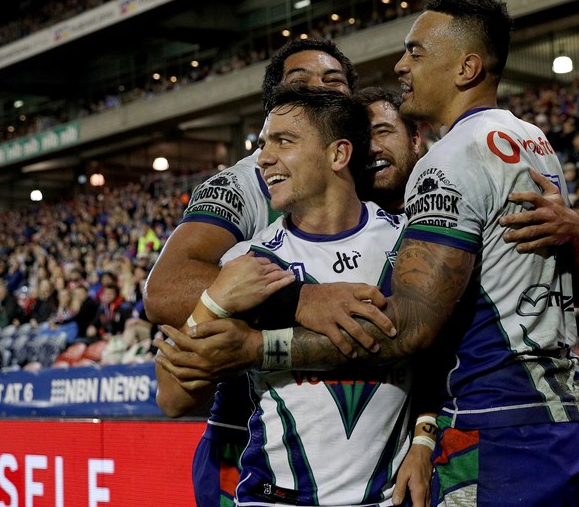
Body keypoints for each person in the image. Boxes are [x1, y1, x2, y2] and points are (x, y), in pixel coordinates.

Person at [167, 0, 579, 507]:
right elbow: (168, 318)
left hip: (500, 429)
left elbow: (415, 331)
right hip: (257, 456)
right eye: (299, 93)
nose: (402, 64)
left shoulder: (426, 192)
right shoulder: (529, 138)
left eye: (416, 53)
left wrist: (258, 345)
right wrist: (232, 303)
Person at [161, 86, 425, 506]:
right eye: (263, 143)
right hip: (274, 498)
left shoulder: (407, 244)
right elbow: (172, 397)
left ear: (338, 155)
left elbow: (436, 350)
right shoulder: (248, 261)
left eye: (283, 141)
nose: (264, 157)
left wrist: (425, 438)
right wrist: (213, 301)